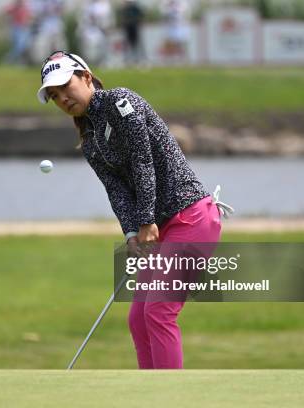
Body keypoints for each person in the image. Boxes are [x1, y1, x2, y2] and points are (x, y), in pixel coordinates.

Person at [36, 51, 233, 369]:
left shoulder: (119, 101)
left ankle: (169, 398)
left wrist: (144, 222)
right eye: (55, 96)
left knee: (158, 312)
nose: (63, 99)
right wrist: (131, 232)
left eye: (65, 87)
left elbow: (143, 158)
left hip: (191, 217)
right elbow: (117, 190)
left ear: (86, 77)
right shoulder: (90, 141)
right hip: (158, 226)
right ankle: (147, 395)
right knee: (138, 319)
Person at [78, 0, 114, 66]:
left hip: (101, 30)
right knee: (88, 51)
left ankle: (102, 63)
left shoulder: (104, 4)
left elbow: (107, 19)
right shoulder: (87, 5)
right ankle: (87, 64)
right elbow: (84, 19)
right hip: (89, 31)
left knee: (102, 49)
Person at [5, 0, 32, 64]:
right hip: (16, 28)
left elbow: (29, 16)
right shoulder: (15, 6)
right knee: (17, 46)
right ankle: (11, 59)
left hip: (24, 28)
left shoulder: (26, 7)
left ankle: (13, 60)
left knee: (21, 46)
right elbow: (7, 10)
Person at [119, 0, 144, 65]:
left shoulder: (135, 8)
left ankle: (137, 58)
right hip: (127, 27)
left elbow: (140, 16)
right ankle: (127, 59)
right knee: (127, 43)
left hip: (134, 27)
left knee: (135, 43)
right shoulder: (125, 9)